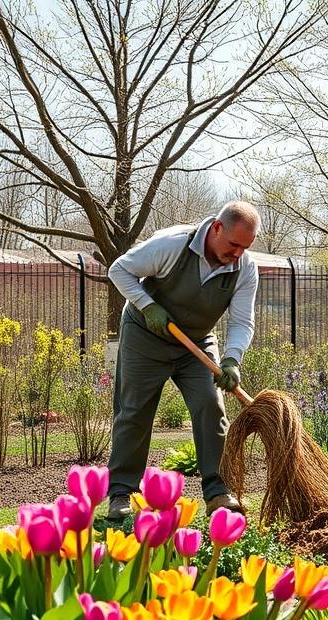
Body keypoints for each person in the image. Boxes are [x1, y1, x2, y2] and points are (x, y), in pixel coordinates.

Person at [104, 201, 261, 520]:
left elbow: (242, 321)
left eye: (245, 247)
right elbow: (119, 269)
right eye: (233, 245)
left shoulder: (244, 268)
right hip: (145, 335)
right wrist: (148, 305)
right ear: (217, 228)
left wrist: (231, 360)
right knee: (134, 410)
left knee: (210, 405)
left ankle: (219, 492)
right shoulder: (173, 244)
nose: (237, 254)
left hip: (197, 344)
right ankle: (122, 493)